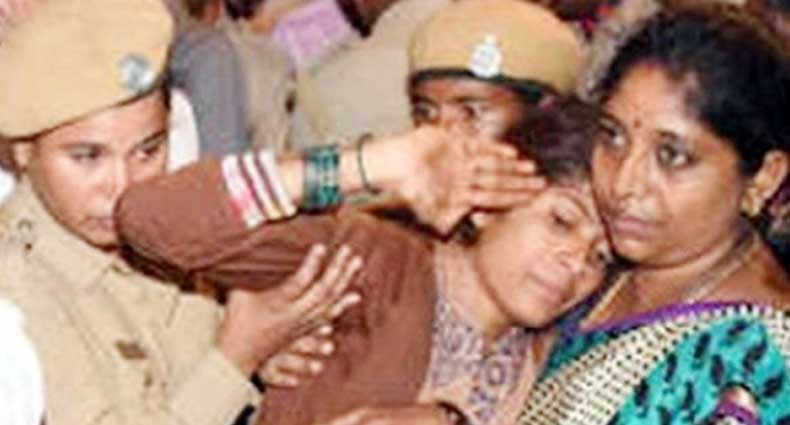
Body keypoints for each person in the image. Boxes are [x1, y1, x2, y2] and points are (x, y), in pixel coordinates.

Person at [116, 99, 613, 425]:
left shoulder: (557, 358)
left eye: (600, 256)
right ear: (486, 203)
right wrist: (367, 164)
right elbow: (154, 219)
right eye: (561, 221)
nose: (576, 262)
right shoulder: (372, 262)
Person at [0, 1, 366, 424]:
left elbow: (194, 361)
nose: (123, 186)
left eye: (148, 151)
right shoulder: (16, 288)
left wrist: (267, 354)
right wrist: (238, 356)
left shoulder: (160, 231)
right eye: (88, 157)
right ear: (23, 151)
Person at [522, 6, 790, 425]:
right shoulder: (594, 260)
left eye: (672, 156)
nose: (623, 184)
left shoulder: (756, 358)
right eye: (612, 136)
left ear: (763, 179)